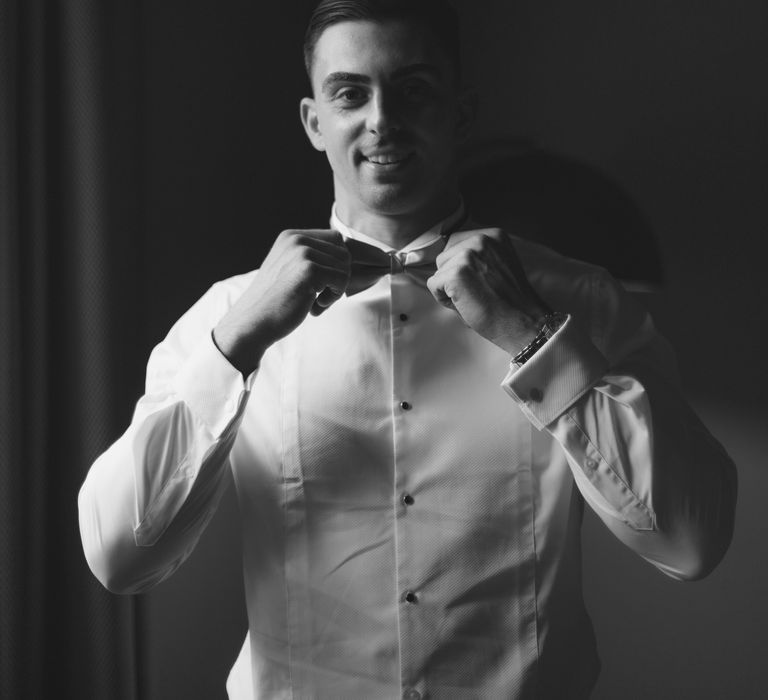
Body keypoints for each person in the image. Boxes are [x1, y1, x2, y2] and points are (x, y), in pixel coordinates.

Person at [78, 1, 737, 697]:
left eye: (413, 90)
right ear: (314, 122)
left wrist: (533, 335)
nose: (383, 120)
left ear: (460, 113)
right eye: (350, 93)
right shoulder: (228, 317)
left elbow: (692, 543)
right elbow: (119, 557)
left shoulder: (582, 301)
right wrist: (237, 345)